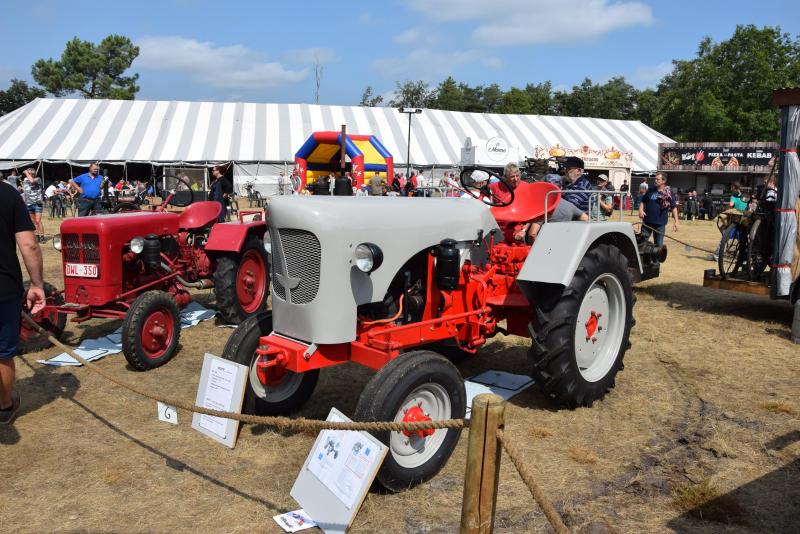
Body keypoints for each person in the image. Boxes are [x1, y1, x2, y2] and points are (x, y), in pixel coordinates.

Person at [0, 179, 46, 425]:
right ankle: (4, 407)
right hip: (4, 287)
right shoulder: (8, 195)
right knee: (3, 353)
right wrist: (37, 285)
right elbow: (29, 244)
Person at [639, 171, 678, 247]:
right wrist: (640, 210)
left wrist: (676, 221)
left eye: (658, 179)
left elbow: (674, 207)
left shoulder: (669, 193)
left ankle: (656, 259)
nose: (655, 181)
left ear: (663, 181)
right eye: (655, 179)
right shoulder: (650, 191)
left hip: (660, 224)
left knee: (658, 246)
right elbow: (643, 202)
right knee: (641, 244)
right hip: (647, 222)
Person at [21, 168, 45, 242]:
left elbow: (32, 181)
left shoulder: (38, 179)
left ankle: (42, 236)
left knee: (38, 221)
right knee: (33, 221)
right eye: (29, 173)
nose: (31, 174)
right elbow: (26, 189)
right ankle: (36, 235)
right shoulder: (25, 180)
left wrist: (26, 172)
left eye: (31, 173)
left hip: (37, 203)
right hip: (28, 203)